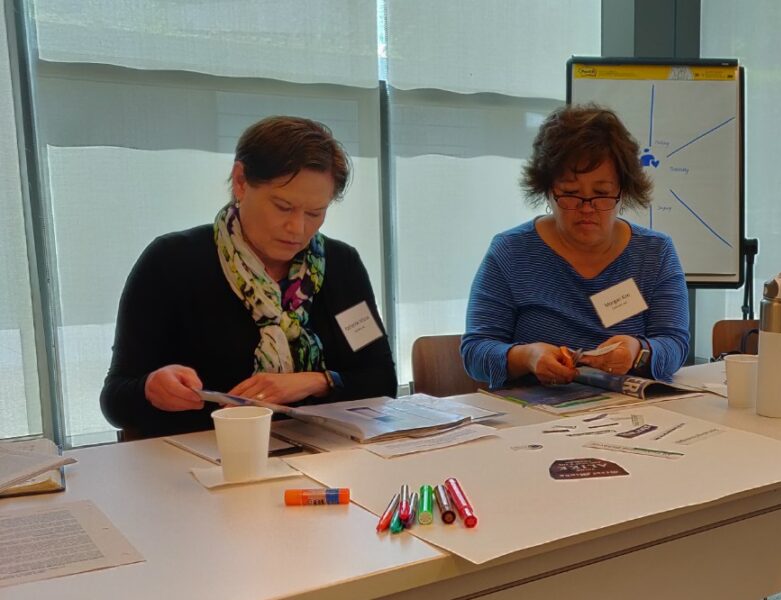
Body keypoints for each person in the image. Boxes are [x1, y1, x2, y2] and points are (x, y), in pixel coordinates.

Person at [100, 116, 397, 440]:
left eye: (315, 213)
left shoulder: (341, 265)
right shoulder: (172, 262)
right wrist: (149, 389)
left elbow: (381, 381)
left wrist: (315, 381)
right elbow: (115, 401)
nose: (297, 229)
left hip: (321, 457)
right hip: (203, 464)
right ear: (241, 181)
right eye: (283, 207)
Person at [461, 104, 689, 388]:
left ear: (623, 192)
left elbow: (674, 344)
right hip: (533, 417)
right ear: (546, 189)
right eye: (570, 194)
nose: (587, 209)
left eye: (602, 194)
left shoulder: (655, 253)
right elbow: (475, 351)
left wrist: (637, 352)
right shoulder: (511, 252)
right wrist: (527, 356)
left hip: (629, 413)